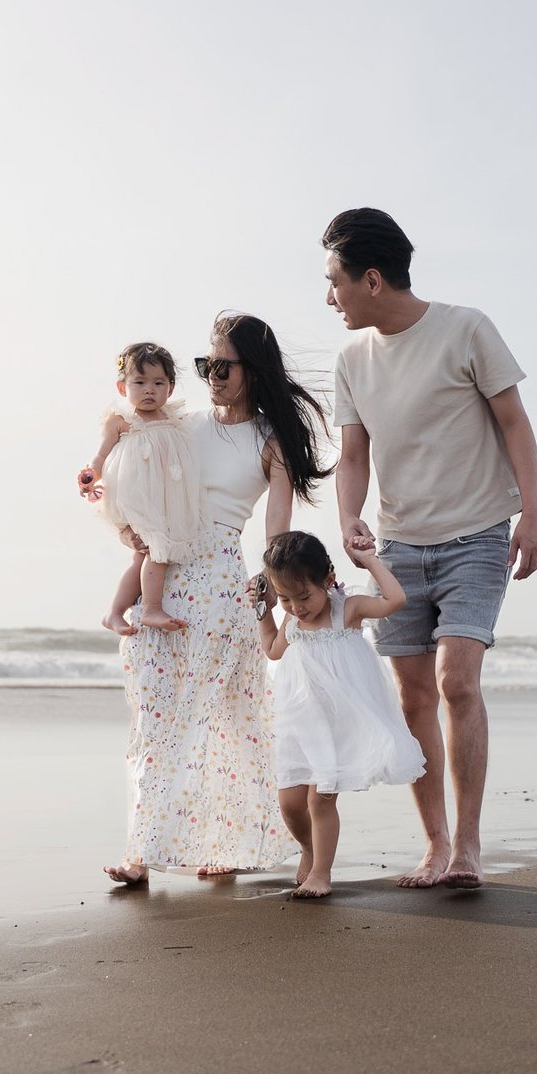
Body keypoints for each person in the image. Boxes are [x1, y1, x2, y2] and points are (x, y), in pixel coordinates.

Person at [322, 207, 537, 890]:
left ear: (371, 278)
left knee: (456, 681)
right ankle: (435, 842)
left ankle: (470, 845)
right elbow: (353, 453)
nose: (327, 296)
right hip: (398, 544)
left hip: (477, 533)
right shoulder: (352, 358)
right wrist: (350, 517)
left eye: (333, 281)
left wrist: (532, 516)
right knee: (414, 695)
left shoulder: (466, 328)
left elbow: (514, 421)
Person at [96, 313, 333, 886]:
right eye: (206, 365)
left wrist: (276, 598)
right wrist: (119, 517)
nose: (212, 375)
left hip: (224, 586)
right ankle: (139, 851)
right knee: (155, 716)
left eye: (223, 365)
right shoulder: (181, 424)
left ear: (253, 368)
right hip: (165, 576)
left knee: (222, 720)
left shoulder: (271, 442)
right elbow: (128, 473)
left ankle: (224, 841)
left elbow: (276, 533)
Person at [253, 531, 425, 899]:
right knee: (290, 804)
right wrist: (264, 610)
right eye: (285, 598)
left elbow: (396, 599)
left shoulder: (348, 609)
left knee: (320, 799)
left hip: (340, 723)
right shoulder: (292, 621)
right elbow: (272, 651)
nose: (297, 607)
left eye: (303, 596)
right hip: (300, 723)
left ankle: (321, 873)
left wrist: (370, 560)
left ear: (328, 580)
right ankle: (310, 848)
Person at [77, 342, 204, 634]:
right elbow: (101, 454)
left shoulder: (173, 419)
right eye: (140, 382)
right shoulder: (121, 420)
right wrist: (91, 474)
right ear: (123, 388)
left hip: (164, 501)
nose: (149, 389)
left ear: (170, 389)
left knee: (144, 555)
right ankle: (151, 609)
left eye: (158, 383)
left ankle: (114, 612)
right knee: (155, 551)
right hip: (136, 497)